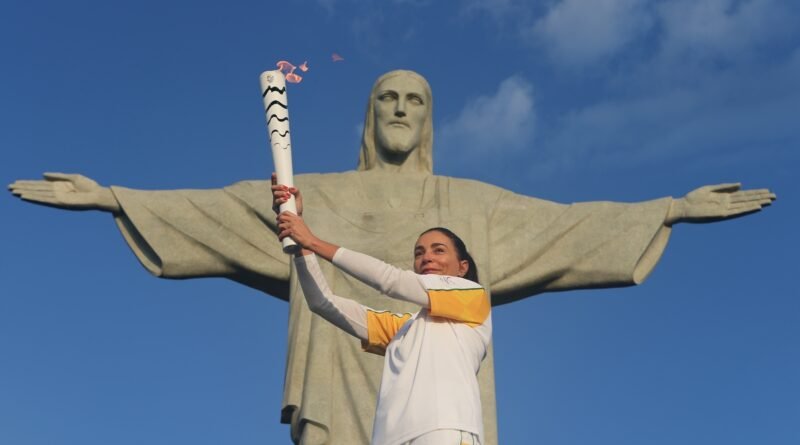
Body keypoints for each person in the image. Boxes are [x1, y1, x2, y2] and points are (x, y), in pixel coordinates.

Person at [8, 69, 775, 445]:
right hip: (345, 394)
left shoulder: (469, 208)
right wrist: (115, 196)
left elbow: (566, 228)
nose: (400, 110)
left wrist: (667, 206)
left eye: (414, 100)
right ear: (368, 116)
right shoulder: (313, 191)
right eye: (387, 99)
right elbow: (220, 215)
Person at [273, 178, 488, 445]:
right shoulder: (405, 329)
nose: (427, 257)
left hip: (445, 430)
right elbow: (322, 302)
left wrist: (313, 240)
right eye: (419, 253)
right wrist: (300, 243)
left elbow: (390, 280)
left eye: (439, 250)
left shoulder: (473, 300)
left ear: (462, 267)